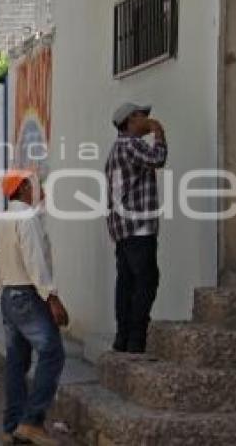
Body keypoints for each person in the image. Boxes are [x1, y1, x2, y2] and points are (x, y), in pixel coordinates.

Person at [0, 169, 68, 446]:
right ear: (24, 187)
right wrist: (52, 297)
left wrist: (2, 297)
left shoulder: (4, 218)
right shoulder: (26, 217)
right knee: (53, 353)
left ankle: (11, 426)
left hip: (9, 295)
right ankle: (32, 422)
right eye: (37, 184)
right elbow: (34, 260)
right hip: (26, 294)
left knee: (17, 361)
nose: (41, 189)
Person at [105, 103, 168, 353]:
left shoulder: (116, 148)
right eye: (143, 116)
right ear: (131, 120)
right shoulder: (131, 145)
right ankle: (136, 338)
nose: (148, 120)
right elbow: (158, 159)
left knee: (126, 283)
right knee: (146, 281)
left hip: (122, 229)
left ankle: (123, 338)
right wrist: (159, 132)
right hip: (139, 226)